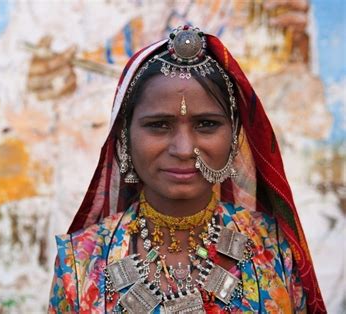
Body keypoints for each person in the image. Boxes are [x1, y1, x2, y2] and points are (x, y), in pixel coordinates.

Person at [48, 26, 325, 313]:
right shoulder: (79, 263)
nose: (183, 149)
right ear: (125, 136)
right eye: (159, 125)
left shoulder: (276, 249)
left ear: (234, 137)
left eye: (206, 124)